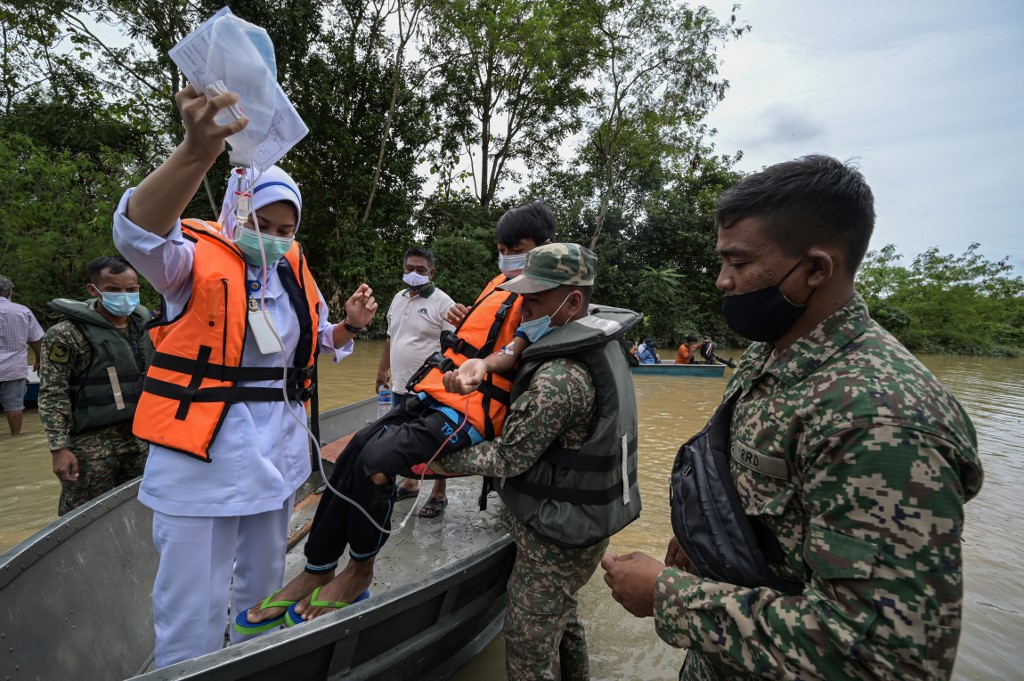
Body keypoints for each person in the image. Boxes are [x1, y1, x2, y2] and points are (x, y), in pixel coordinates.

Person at [601, 155, 983, 680]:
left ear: (816, 269)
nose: (722, 281)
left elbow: (883, 659)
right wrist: (696, 542)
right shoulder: (768, 352)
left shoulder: (883, 421)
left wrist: (670, 597)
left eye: (739, 263)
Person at [112, 85, 378, 668]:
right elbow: (138, 233)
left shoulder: (292, 269)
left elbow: (317, 341)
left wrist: (350, 327)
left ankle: (253, 665)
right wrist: (197, 150)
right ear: (238, 211)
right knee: (192, 607)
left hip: (275, 455)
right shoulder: (188, 261)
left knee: (261, 589)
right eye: (263, 222)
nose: (275, 237)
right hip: (201, 458)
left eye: (286, 228)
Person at [238, 200, 556, 632]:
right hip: (438, 393)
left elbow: (518, 344)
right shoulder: (500, 283)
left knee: (377, 460)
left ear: (545, 246)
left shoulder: (547, 293)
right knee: (355, 449)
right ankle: (318, 568)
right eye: (502, 249)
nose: (507, 257)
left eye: (516, 249)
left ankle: (359, 571)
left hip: (474, 410)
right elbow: (485, 332)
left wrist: (483, 364)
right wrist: (465, 324)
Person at [437, 243, 642, 680]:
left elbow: (509, 456)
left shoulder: (559, 379)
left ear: (573, 302)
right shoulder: (596, 340)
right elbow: (516, 348)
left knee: (528, 649)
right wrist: (485, 364)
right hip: (585, 522)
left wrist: (433, 463)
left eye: (533, 300)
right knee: (565, 621)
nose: (522, 309)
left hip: (555, 540)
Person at [37, 256, 153, 515]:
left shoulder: (148, 327)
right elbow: (53, 393)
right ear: (93, 290)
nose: (124, 296)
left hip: (142, 441)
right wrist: (59, 448)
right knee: (85, 518)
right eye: (113, 289)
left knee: (144, 514)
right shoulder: (67, 334)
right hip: (90, 446)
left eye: (131, 289)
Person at [377, 247, 456, 518]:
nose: (414, 273)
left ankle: (439, 493)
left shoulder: (444, 303)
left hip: (429, 389)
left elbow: (453, 348)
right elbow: (391, 337)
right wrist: (382, 370)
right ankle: (410, 483)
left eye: (421, 270)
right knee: (400, 437)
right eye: (409, 268)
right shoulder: (398, 298)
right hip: (399, 386)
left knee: (434, 441)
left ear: (432, 273)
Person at [0, 275, 43, 436]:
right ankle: (15, 438)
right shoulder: (22, 311)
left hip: (14, 368)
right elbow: (35, 339)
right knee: (14, 406)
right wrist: (39, 360)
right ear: (8, 292)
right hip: (13, 369)